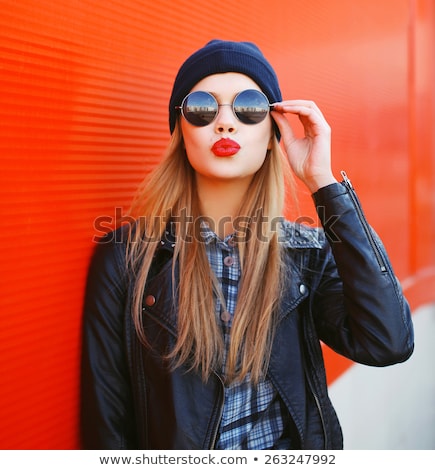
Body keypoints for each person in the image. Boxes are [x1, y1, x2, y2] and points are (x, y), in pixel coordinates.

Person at [80, 39, 414, 450]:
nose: (224, 123)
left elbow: (387, 343)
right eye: (203, 107)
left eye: (249, 108)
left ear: (273, 133)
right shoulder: (128, 257)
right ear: (180, 130)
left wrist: (323, 183)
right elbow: (107, 426)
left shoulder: (305, 253)